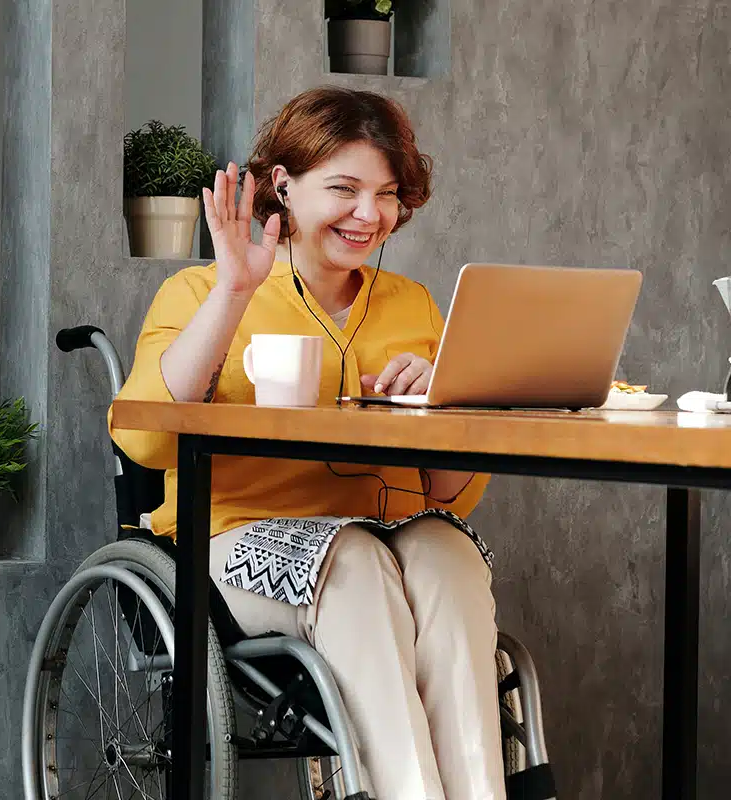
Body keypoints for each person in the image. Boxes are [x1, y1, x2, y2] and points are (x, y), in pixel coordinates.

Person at [109, 86, 504, 800]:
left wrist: (438, 401)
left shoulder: (411, 305)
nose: (368, 215)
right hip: (235, 540)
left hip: (393, 535)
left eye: (385, 194)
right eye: (345, 189)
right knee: (353, 565)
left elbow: (449, 492)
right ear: (284, 186)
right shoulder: (201, 291)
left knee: (448, 556)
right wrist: (234, 290)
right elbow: (142, 437)